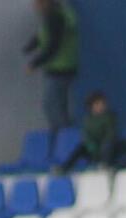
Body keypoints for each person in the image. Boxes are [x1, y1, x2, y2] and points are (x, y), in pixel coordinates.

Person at [23, 0, 79, 132]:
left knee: (51, 106)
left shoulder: (55, 17)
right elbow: (44, 34)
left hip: (60, 68)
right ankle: (65, 135)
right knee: (60, 106)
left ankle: (63, 136)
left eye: (37, 3)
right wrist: (31, 45)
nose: (35, 7)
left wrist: (34, 63)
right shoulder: (57, 15)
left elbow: (53, 45)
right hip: (63, 67)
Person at [60, 91, 117, 171]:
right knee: (81, 147)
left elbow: (110, 134)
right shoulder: (88, 119)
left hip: (107, 148)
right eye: (97, 104)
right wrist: (91, 145)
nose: (101, 107)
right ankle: (64, 168)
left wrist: (102, 145)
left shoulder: (109, 117)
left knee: (108, 144)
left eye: (102, 104)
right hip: (94, 148)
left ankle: (104, 164)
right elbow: (86, 135)